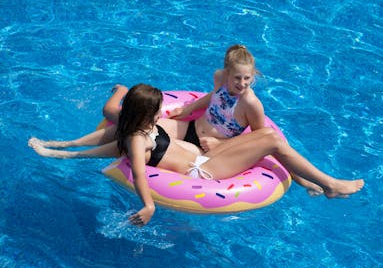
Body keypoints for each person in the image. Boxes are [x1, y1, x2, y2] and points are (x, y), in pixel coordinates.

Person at [29, 84, 365, 226]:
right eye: (158, 106)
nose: (164, 108)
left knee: (265, 136)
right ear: (146, 112)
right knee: (271, 141)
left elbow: (110, 117)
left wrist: (64, 144)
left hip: (205, 157)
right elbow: (139, 171)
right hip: (203, 174)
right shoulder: (136, 139)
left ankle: (308, 181)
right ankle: (330, 185)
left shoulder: (137, 123)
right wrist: (148, 206)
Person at [104, 44, 324, 194]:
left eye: (247, 78)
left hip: (210, 150)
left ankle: (303, 179)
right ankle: (119, 93)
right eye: (237, 78)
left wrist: (223, 143)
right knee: (125, 118)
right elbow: (214, 96)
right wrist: (190, 107)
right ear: (227, 73)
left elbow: (257, 140)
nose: (242, 83)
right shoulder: (220, 78)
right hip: (189, 128)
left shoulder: (251, 104)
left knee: (143, 139)